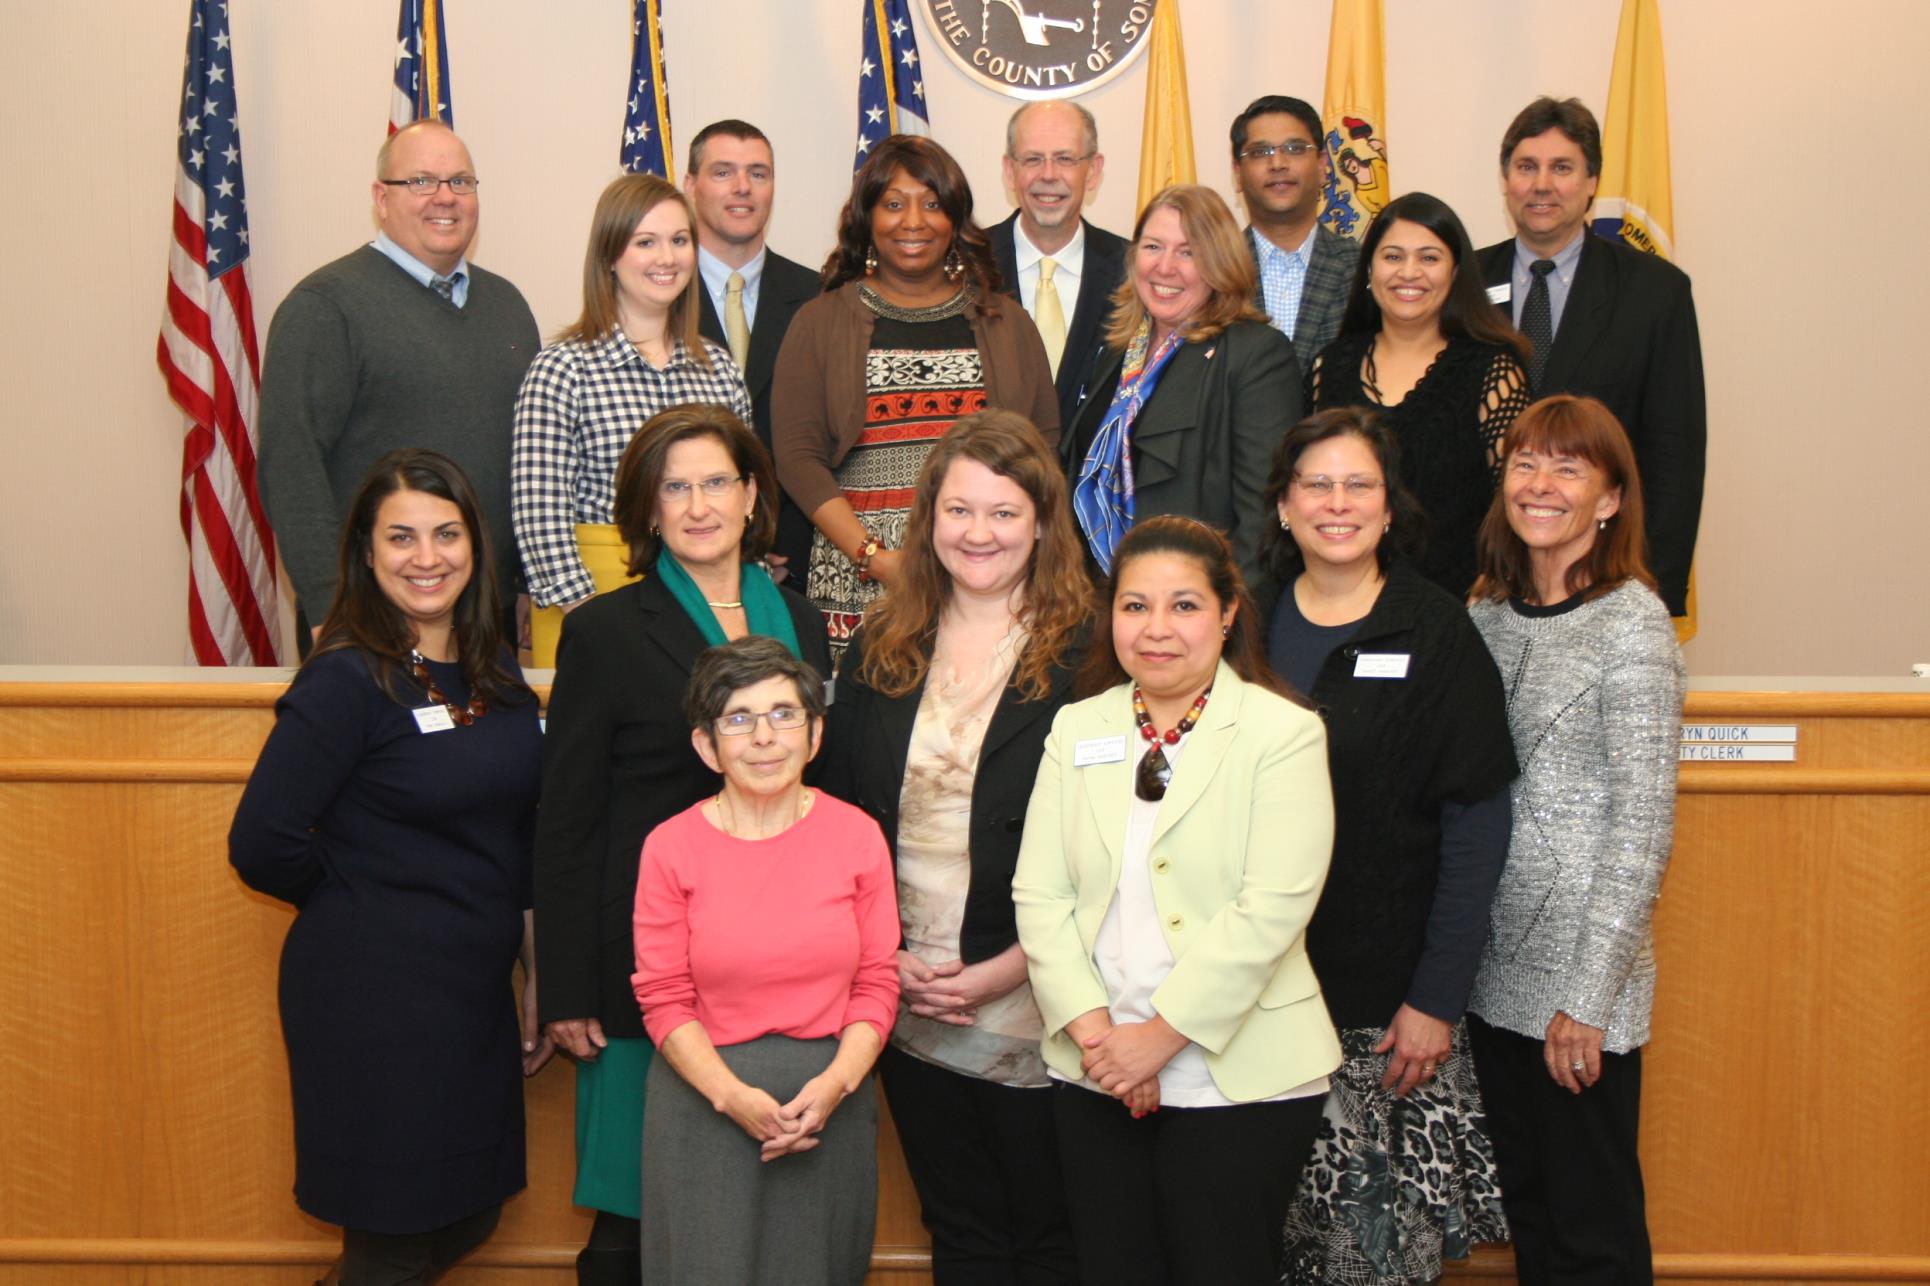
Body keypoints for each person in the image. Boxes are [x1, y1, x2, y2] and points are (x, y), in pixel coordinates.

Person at [229, 449, 547, 1284]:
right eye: (400, 537)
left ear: (475, 545)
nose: (426, 556)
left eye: (446, 533)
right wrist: (364, 901)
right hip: (373, 1002)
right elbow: (261, 840)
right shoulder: (344, 677)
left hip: (470, 996)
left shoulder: (492, 670)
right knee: (393, 1241)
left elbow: (515, 830)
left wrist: (529, 956)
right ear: (366, 553)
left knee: (468, 1214)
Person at [533, 405, 830, 1284]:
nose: (698, 505)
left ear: (750, 496)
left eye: (715, 482)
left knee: (761, 1205)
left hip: (787, 971)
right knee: (636, 1210)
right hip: (649, 970)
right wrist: (568, 982)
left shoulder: (805, 626)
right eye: (675, 487)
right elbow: (568, 819)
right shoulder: (605, 632)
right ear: (648, 510)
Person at [1013, 515, 1341, 1285]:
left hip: (1241, 1079)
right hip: (1093, 1070)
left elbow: (1272, 909)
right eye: (1135, 606)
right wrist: (1102, 1041)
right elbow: (1039, 892)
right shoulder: (1077, 727)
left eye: (1185, 606)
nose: (1157, 629)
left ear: (1228, 613)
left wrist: (1156, 1040)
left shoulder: (1281, 733)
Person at [824, 410, 1091, 1284]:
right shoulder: (882, 642)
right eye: (959, 510)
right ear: (928, 519)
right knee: (962, 1229)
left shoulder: (1090, 655)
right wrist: (883, 954)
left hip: (1040, 992)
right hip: (909, 994)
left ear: (1044, 522)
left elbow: (1115, 844)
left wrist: (1013, 966)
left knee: (1051, 1235)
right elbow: (841, 817)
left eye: (1005, 513)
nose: (979, 533)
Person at [1260, 409, 1517, 1283]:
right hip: (1244, 1005)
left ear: (1387, 505)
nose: (1337, 503)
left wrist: (1436, 1001)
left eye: (1357, 484)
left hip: (1382, 1016)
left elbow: (1477, 827)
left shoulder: (1436, 630)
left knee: (1367, 1260)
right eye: (1316, 485)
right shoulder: (1239, 623)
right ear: (1284, 507)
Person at [1465, 395, 1687, 1283]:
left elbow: (1643, 824)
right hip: (1491, 972)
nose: (1541, 483)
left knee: (1592, 1231)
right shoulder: (1485, 611)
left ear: (1609, 498)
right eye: (1525, 462)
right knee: (1533, 1215)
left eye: (1568, 467)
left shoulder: (1632, 622)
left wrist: (1590, 996)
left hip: (1578, 984)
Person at [632, 636, 899, 1285]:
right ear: (706, 744)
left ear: (814, 735)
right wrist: (733, 1098)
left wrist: (835, 1086)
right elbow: (663, 997)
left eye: (784, 714)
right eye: (739, 718)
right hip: (705, 1101)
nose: (763, 737)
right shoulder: (670, 848)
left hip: (826, 1103)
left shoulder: (857, 836)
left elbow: (878, 981)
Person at [772, 133, 1058, 658]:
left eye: (931, 204)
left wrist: (999, 555)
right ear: (867, 217)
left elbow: (1041, 449)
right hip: (863, 582)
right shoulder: (820, 322)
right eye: (894, 204)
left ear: (954, 219)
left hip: (985, 576)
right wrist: (876, 557)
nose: (913, 221)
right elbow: (796, 458)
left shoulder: (1006, 322)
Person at [260, 120, 539, 648]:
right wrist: (327, 602)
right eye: (420, 182)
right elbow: (290, 463)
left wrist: (526, 582)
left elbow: (527, 459)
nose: (445, 198)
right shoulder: (324, 306)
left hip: (486, 612)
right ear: (380, 199)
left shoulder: (507, 306)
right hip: (369, 614)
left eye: (461, 182)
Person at [1477, 97, 1706, 621]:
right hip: (1484, 580)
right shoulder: (1463, 281)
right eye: (1526, 167)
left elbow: (1675, 452)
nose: (1542, 185)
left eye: (1562, 168)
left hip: (1606, 577)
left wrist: (1656, 590)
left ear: (1591, 182)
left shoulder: (1655, 291)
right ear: (1506, 179)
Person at [512, 173, 753, 666]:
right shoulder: (563, 369)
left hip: (703, 603)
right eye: (646, 242)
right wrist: (596, 620)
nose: (667, 258)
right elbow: (540, 518)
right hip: (593, 599)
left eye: (680, 241)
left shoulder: (719, 367)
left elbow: (744, 492)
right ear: (609, 257)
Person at [1065, 185, 1301, 597]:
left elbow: (1262, 524)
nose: (1165, 267)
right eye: (1153, 246)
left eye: (1188, 252)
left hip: (1192, 611)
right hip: (1099, 604)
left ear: (1220, 262)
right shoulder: (1119, 348)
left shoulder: (1255, 355)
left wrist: (1224, 624)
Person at [1308, 191, 1532, 599]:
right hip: (1344, 603)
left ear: (1455, 272)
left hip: (1460, 606)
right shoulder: (1330, 365)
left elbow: (1518, 494)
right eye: (1393, 256)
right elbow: (1308, 488)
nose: (1409, 273)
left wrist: (1496, 579)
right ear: (1369, 270)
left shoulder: (1493, 370)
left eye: (1429, 258)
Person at [684, 119, 824, 572]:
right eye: (723, 172)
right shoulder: (658, 296)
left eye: (758, 174)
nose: (742, 187)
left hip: (795, 557)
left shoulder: (821, 297)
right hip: (685, 552)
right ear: (690, 185)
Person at [990, 100, 1130, 430]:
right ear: (1010, 171)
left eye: (1065, 159)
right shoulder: (966, 264)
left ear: (1093, 171)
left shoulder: (1134, 271)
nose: (1049, 175)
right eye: (1033, 159)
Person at [1229, 94, 1360, 374]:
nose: (1277, 163)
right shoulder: (1212, 270)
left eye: (1295, 148)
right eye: (1260, 152)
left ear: (1323, 165)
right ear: (1238, 173)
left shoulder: (1362, 268)